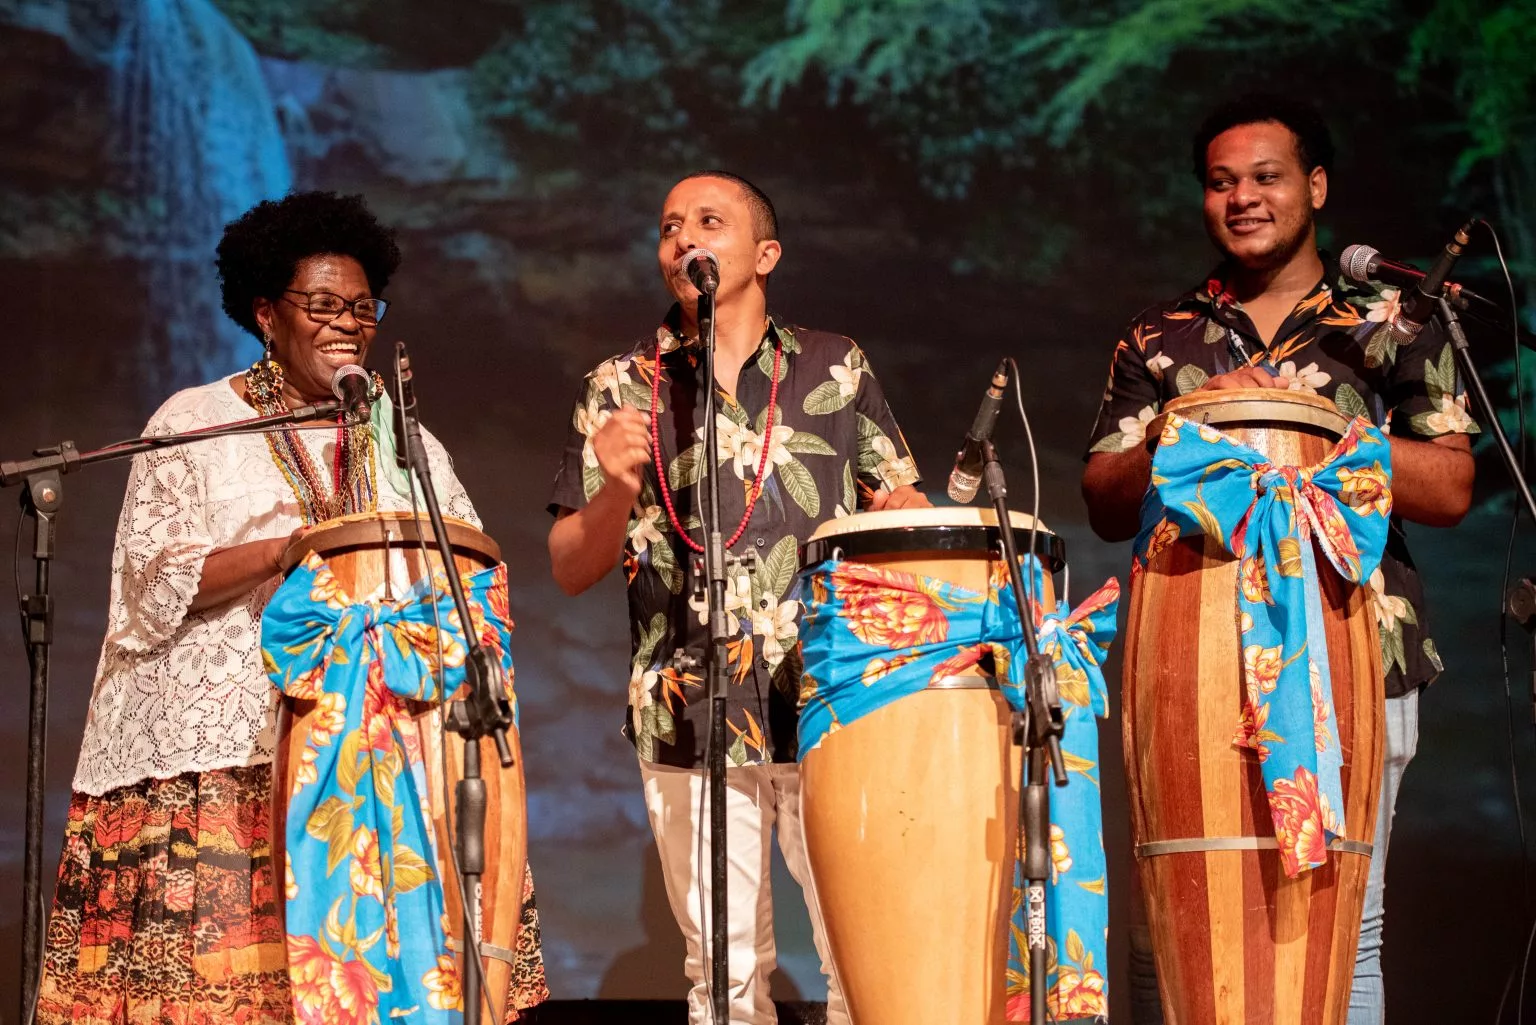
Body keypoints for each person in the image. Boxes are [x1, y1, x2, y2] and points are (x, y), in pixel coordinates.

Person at [35, 191, 547, 1024]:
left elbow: (468, 558)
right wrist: (284, 551)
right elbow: (150, 585)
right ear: (267, 313)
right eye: (322, 305)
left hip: (376, 750)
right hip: (226, 757)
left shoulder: (406, 437)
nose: (346, 323)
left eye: (360, 307)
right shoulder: (195, 420)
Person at [1081, 94, 1476, 1024]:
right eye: (1222, 183)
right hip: (1191, 663)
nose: (1243, 198)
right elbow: (1103, 496)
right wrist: (1186, 423)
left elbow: (1453, 485)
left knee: (1347, 923)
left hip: (1355, 647)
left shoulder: (1389, 318)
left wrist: (1329, 436)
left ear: (1316, 186)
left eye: (1267, 177)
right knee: (1171, 919)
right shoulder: (1160, 335)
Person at [547, 170, 927, 1025]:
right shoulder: (619, 385)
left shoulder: (835, 365)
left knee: (861, 952)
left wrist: (910, 512)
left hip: (826, 697)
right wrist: (613, 486)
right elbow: (571, 565)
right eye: (669, 226)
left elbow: (901, 515)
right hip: (686, 708)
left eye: (708, 222)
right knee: (723, 972)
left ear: (765, 254)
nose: (684, 239)